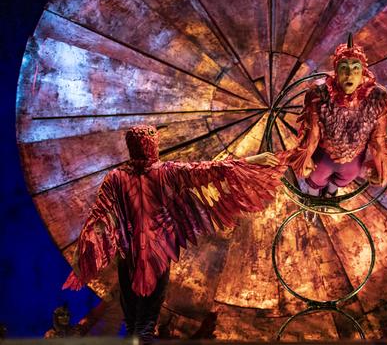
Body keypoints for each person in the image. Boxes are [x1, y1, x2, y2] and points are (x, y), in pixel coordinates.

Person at [63, 125, 284, 342]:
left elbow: (98, 217)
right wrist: (252, 161)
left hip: (129, 255)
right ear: (152, 145)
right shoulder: (167, 173)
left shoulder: (116, 177)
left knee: (132, 323)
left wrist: (83, 257)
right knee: (145, 325)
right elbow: (211, 170)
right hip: (157, 254)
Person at [286, 34, 387, 198]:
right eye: (344, 68)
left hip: (353, 161)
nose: (350, 75)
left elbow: (378, 139)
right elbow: (312, 133)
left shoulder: (377, 97)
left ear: (363, 72)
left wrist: (382, 166)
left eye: (355, 68)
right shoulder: (319, 93)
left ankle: (331, 194)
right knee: (315, 180)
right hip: (323, 157)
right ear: (336, 71)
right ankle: (313, 198)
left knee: (341, 182)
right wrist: (305, 156)